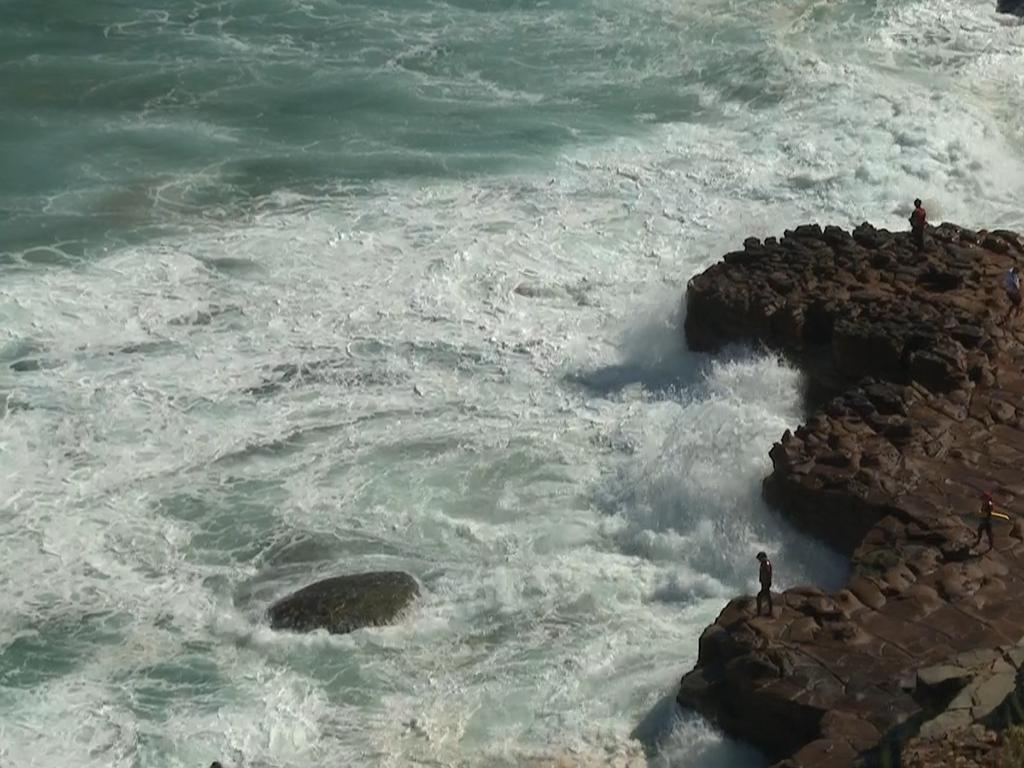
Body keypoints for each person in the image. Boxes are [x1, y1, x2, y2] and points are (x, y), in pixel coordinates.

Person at [756, 551, 773, 616]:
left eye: (759, 558)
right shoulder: (764, 563)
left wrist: (766, 583)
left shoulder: (766, 563)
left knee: (759, 597)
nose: (759, 560)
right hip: (764, 583)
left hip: (766, 583)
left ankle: (759, 612)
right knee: (767, 596)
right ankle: (769, 611)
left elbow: (768, 573)